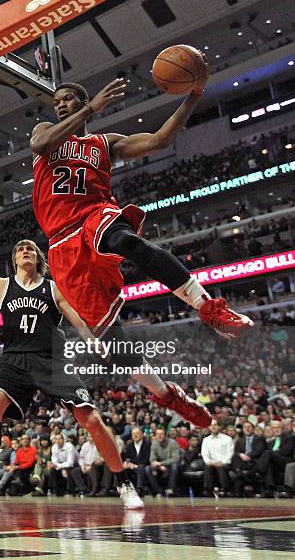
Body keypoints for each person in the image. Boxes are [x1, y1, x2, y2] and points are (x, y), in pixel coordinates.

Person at [29, 74, 254, 426]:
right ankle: (167, 395)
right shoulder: (46, 131)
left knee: (123, 239)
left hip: (92, 216)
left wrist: (193, 96)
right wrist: (91, 106)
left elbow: (160, 140)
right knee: (116, 349)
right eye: (57, 100)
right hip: (61, 245)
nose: (60, 103)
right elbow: (41, 146)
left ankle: (209, 307)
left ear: (81, 102)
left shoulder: (104, 143)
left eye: (68, 98)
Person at [0, 239, 143, 510]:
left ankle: (123, 482)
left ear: (38, 258)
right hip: (14, 359)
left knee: (91, 418)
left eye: (30, 249)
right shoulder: (0, 285)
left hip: (52, 359)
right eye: (20, 249)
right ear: (14, 259)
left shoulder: (52, 288)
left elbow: (77, 319)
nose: (25, 251)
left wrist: (94, 341)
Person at [201, 420, 234, 496]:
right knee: (207, 466)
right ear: (209, 427)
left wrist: (222, 462)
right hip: (211, 463)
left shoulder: (227, 439)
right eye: (211, 425)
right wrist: (209, 462)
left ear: (219, 427)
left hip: (224, 462)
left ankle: (225, 490)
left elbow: (229, 453)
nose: (213, 427)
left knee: (221, 467)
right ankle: (208, 491)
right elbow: (204, 454)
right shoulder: (206, 440)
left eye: (215, 425)